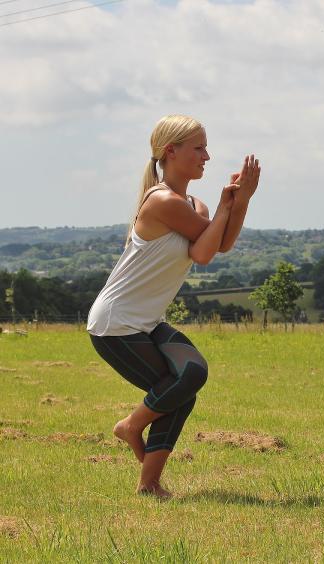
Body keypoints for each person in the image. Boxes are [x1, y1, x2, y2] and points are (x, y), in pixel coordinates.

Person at [87, 115, 260, 498]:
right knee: (185, 380)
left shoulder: (191, 204)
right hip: (115, 325)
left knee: (187, 380)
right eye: (198, 148)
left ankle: (149, 484)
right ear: (171, 152)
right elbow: (208, 247)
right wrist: (224, 204)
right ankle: (132, 427)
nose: (207, 156)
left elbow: (210, 248)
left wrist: (240, 202)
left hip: (144, 323)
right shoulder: (163, 201)